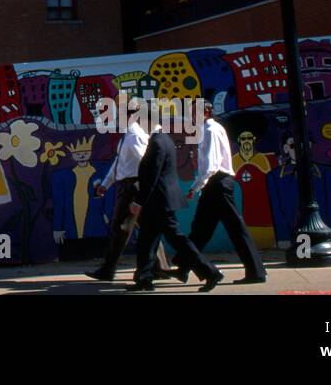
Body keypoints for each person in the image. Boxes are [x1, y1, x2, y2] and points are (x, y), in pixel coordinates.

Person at [130, 120, 222, 292]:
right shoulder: (164, 139)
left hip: (159, 202)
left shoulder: (157, 142)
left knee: (177, 240)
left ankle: (210, 272)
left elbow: (153, 175)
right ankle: (144, 278)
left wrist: (138, 201)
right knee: (146, 241)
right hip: (159, 202)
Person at [84, 105, 173, 281]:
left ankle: (108, 270)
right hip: (129, 185)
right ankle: (160, 267)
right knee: (146, 228)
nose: (119, 119)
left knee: (120, 228)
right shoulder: (127, 137)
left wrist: (140, 190)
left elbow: (146, 165)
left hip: (133, 187)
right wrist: (105, 185)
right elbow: (119, 163)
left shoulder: (134, 137)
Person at [186, 102, 266, 284]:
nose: (192, 116)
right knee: (201, 229)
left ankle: (256, 271)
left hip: (217, 183)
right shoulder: (209, 129)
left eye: (194, 112)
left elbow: (211, 165)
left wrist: (195, 187)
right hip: (216, 183)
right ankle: (184, 267)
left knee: (235, 229)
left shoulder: (211, 130)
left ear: (205, 111)